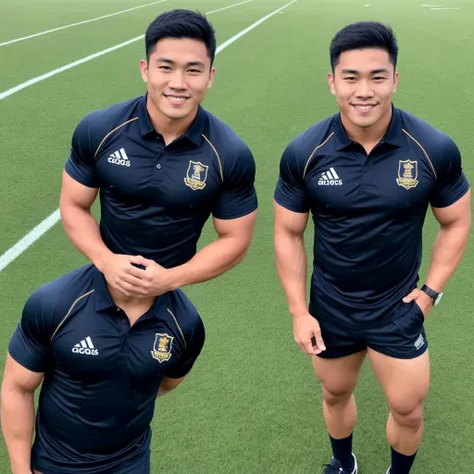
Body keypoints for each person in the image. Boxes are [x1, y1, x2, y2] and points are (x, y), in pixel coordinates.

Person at [273, 21, 471, 474]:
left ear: (395, 80)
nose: (365, 91)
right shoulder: (304, 152)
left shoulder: (432, 148)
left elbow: (456, 221)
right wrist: (298, 311)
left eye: (377, 77)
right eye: (351, 78)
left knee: (409, 409)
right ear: (332, 82)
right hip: (330, 308)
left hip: (397, 309)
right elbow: (287, 232)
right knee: (335, 393)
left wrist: (430, 294)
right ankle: (344, 463)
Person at [59, 9, 257, 300]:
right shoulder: (99, 129)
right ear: (145, 69)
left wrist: (169, 279)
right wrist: (105, 260)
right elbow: (74, 204)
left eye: (193, 70)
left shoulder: (229, 154)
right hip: (100, 282)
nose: (178, 83)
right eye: (166, 67)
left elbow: (236, 239)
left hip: (167, 298)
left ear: (210, 76)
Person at [1, 263, 205, 473]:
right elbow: (18, 388)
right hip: (56, 464)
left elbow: (165, 384)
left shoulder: (186, 323)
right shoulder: (56, 302)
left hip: (130, 464)